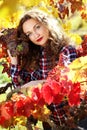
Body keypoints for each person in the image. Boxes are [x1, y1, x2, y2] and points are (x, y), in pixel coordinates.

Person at [7, 8, 78, 129]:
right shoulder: (35, 57)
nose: (35, 35)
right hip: (52, 124)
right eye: (29, 33)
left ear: (46, 24)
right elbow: (20, 86)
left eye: (37, 27)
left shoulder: (66, 50)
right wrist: (14, 62)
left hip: (75, 121)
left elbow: (65, 86)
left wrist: (38, 83)